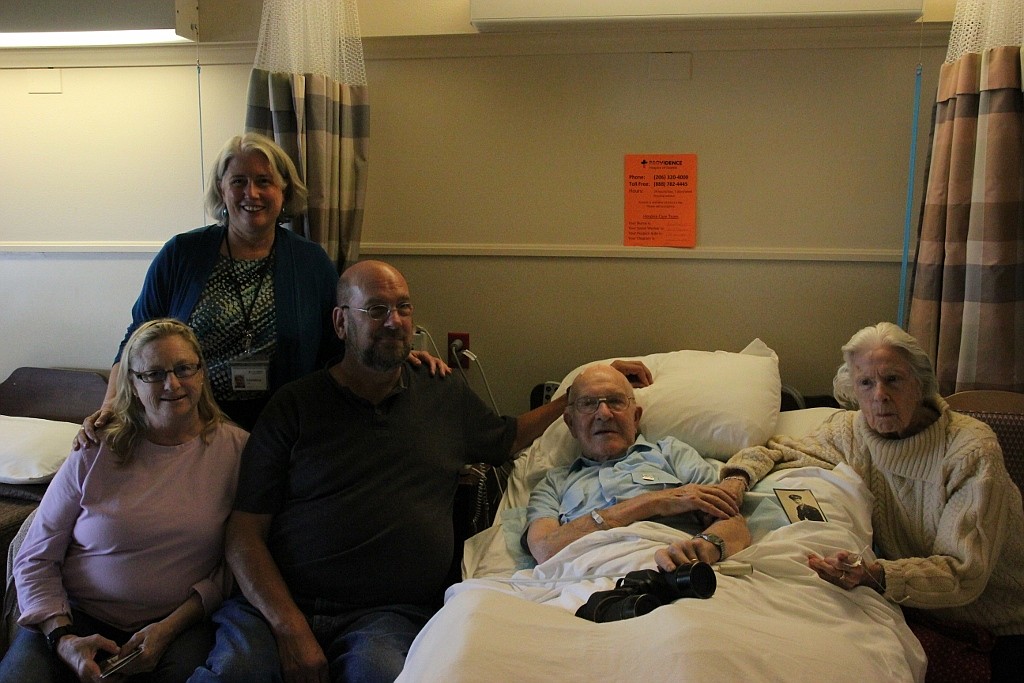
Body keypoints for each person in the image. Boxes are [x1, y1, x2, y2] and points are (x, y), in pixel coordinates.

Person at [187, 260, 651, 683]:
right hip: (279, 606)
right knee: (232, 675)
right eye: (376, 310)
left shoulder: (441, 391)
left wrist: (588, 385)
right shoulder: (295, 405)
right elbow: (243, 533)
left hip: (388, 615)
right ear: (340, 322)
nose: (394, 321)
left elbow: (507, 438)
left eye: (403, 307)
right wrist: (289, 627)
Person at [75, 133, 443, 436]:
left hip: (286, 431)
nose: (251, 193)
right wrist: (111, 405)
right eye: (239, 181)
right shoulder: (181, 255)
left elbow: (343, 340)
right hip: (190, 428)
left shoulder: (310, 262)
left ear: (283, 192)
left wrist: (394, 354)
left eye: (264, 181)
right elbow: (137, 339)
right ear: (222, 191)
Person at [717, 322, 1024, 679]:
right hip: (912, 610)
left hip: (999, 622)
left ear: (921, 385)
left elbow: (964, 574)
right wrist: (736, 481)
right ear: (853, 391)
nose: (879, 395)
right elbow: (778, 451)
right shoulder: (849, 431)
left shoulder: (970, 449)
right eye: (866, 383)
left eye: (893, 380)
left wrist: (876, 575)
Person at [0, 319, 248, 682]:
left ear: (201, 372)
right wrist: (62, 636)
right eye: (154, 374)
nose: (172, 384)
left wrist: (170, 627)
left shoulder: (238, 451)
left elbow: (232, 565)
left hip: (178, 624)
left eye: (184, 368)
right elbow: (37, 553)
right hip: (73, 615)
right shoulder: (94, 448)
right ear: (131, 381)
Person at [525, 364, 750, 568]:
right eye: (588, 404)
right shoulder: (553, 484)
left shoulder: (671, 453)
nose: (604, 414)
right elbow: (545, 550)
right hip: (586, 573)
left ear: (635, 417)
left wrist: (702, 550)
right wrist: (653, 501)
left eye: (615, 401)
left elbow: (731, 520)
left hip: (673, 566)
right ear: (570, 424)